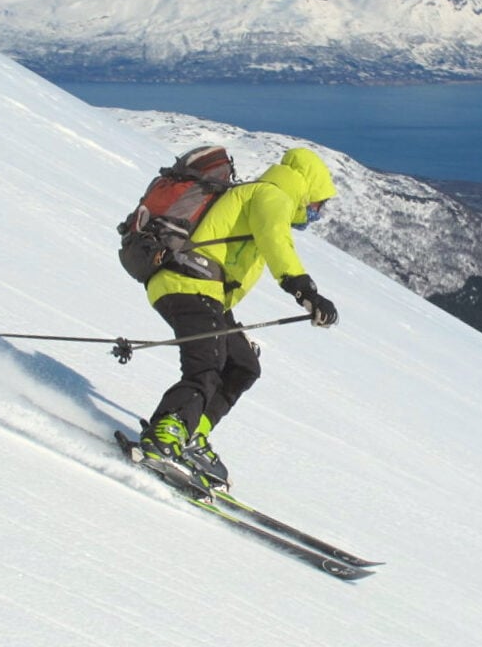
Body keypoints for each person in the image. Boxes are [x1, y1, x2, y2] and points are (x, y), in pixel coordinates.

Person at [140, 147, 338, 490]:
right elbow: (276, 242)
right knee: (207, 364)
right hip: (187, 283)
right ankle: (166, 431)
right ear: (306, 189)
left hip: (204, 291)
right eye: (317, 205)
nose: (315, 214)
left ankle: (191, 433)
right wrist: (305, 291)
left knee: (242, 364)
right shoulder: (272, 195)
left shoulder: (262, 195)